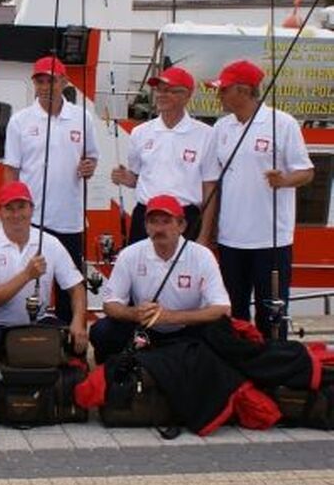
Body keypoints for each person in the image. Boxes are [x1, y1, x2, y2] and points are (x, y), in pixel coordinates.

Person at [206, 60, 314, 339]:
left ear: (243, 91)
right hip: (230, 238)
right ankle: (238, 361)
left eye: (223, 89)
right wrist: (209, 232)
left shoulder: (283, 123)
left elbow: (306, 171)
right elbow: (212, 181)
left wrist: (284, 180)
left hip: (271, 239)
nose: (218, 95)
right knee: (234, 313)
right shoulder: (221, 127)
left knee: (272, 314)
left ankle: (275, 360)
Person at [3, 55, 99, 323]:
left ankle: (71, 335)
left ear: (64, 82)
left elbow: (92, 158)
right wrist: (9, 212)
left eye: (51, 81)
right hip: (31, 219)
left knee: (69, 285)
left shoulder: (82, 118)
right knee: (28, 283)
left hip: (70, 219)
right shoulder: (20, 121)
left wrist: (89, 167)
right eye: (40, 81)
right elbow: (11, 170)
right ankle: (24, 335)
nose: (45, 87)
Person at [89, 195, 231, 364]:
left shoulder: (202, 255)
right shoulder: (130, 254)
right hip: (145, 328)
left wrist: (170, 317)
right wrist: (135, 313)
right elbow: (110, 304)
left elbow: (222, 309)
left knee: (223, 333)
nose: (159, 228)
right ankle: (111, 375)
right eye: (153, 222)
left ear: (182, 226)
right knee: (102, 331)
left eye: (166, 222)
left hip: (189, 328)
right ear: (146, 227)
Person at [0, 181, 87, 356]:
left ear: (32, 209)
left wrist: (78, 321)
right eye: (9, 208)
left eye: (22, 207)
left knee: (74, 342)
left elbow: (76, 288)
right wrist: (27, 275)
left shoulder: (50, 243)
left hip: (39, 321)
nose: (16, 214)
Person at [110, 66, 216, 245]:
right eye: (159, 90)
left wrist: (205, 235)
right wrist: (124, 177)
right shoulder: (140, 132)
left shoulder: (206, 135)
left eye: (169, 91)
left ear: (187, 95)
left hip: (185, 217)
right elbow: (136, 178)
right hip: (146, 216)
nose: (161, 95)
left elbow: (210, 188)